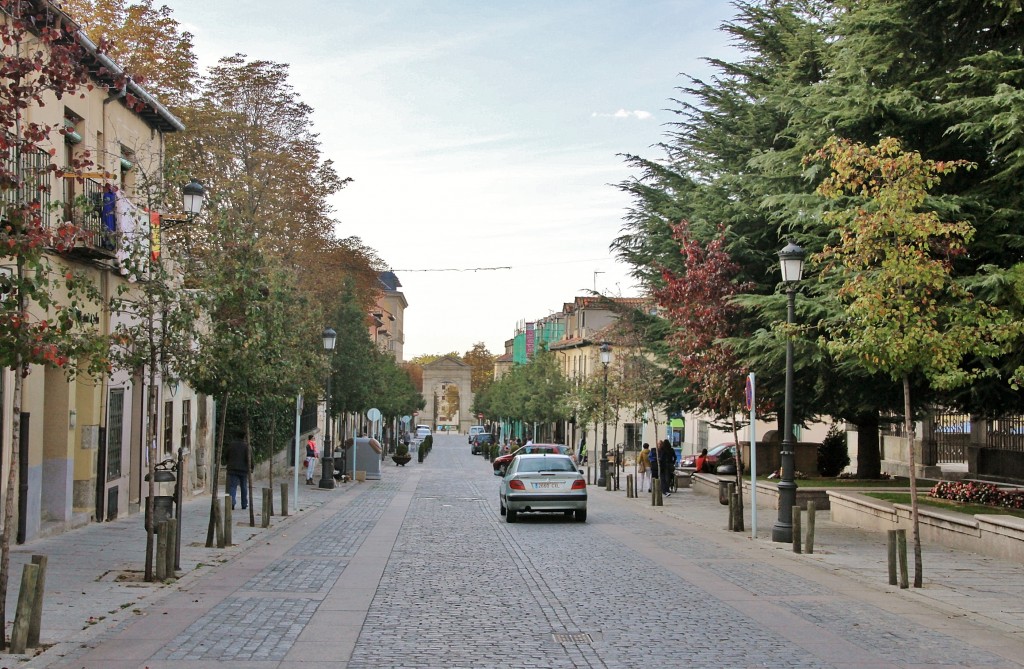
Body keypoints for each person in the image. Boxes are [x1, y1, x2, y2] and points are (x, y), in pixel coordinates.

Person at [226, 431, 251, 510]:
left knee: (232, 486)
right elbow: (250, 458)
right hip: (243, 469)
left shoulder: (231, 445)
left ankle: (232, 502)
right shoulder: (247, 446)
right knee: (243, 486)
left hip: (232, 469)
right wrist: (251, 467)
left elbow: (226, 455)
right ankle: (244, 504)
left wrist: (228, 463)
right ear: (244, 437)